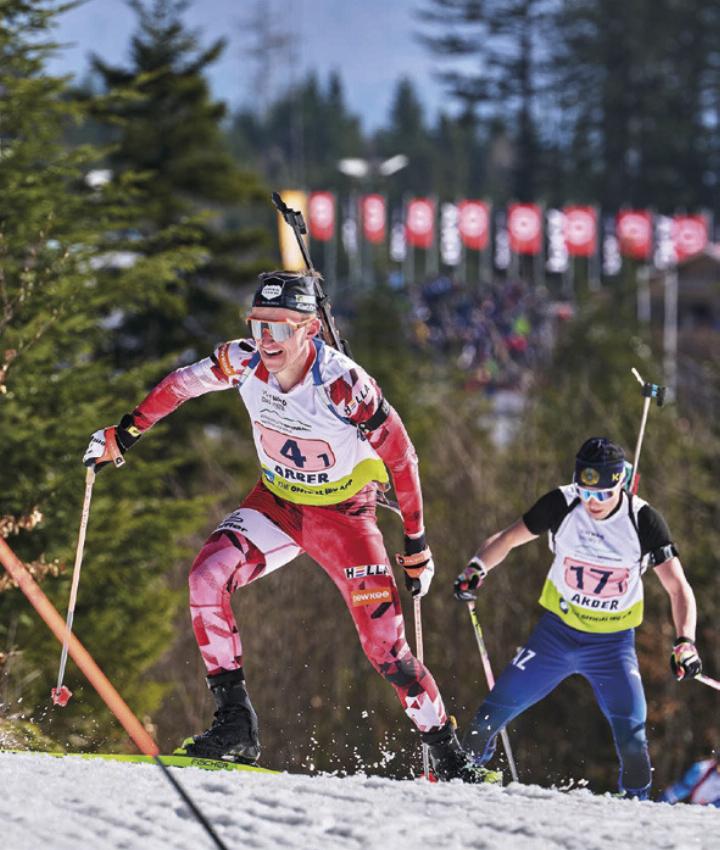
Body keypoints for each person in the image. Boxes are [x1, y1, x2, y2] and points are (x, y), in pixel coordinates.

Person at [84, 270, 478, 780]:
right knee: (207, 575)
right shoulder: (243, 360)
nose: (265, 341)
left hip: (344, 518)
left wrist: (418, 545)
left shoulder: (342, 384)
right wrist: (125, 433)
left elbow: (402, 457)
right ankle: (234, 725)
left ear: (310, 330)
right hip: (278, 505)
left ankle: (449, 758)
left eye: (279, 329)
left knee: (386, 649)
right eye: (257, 325)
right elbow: (181, 385)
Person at [453, 437, 701, 798]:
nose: (592, 502)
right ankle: (464, 777)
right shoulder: (562, 503)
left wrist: (685, 642)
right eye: (587, 493)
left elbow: (678, 588)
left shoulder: (643, 520)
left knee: (633, 739)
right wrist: (477, 568)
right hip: (556, 636)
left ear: (620, 484)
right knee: (487, 717)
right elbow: (508, 539)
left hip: (613, 647)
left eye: (602, 494)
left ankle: (636, 810)